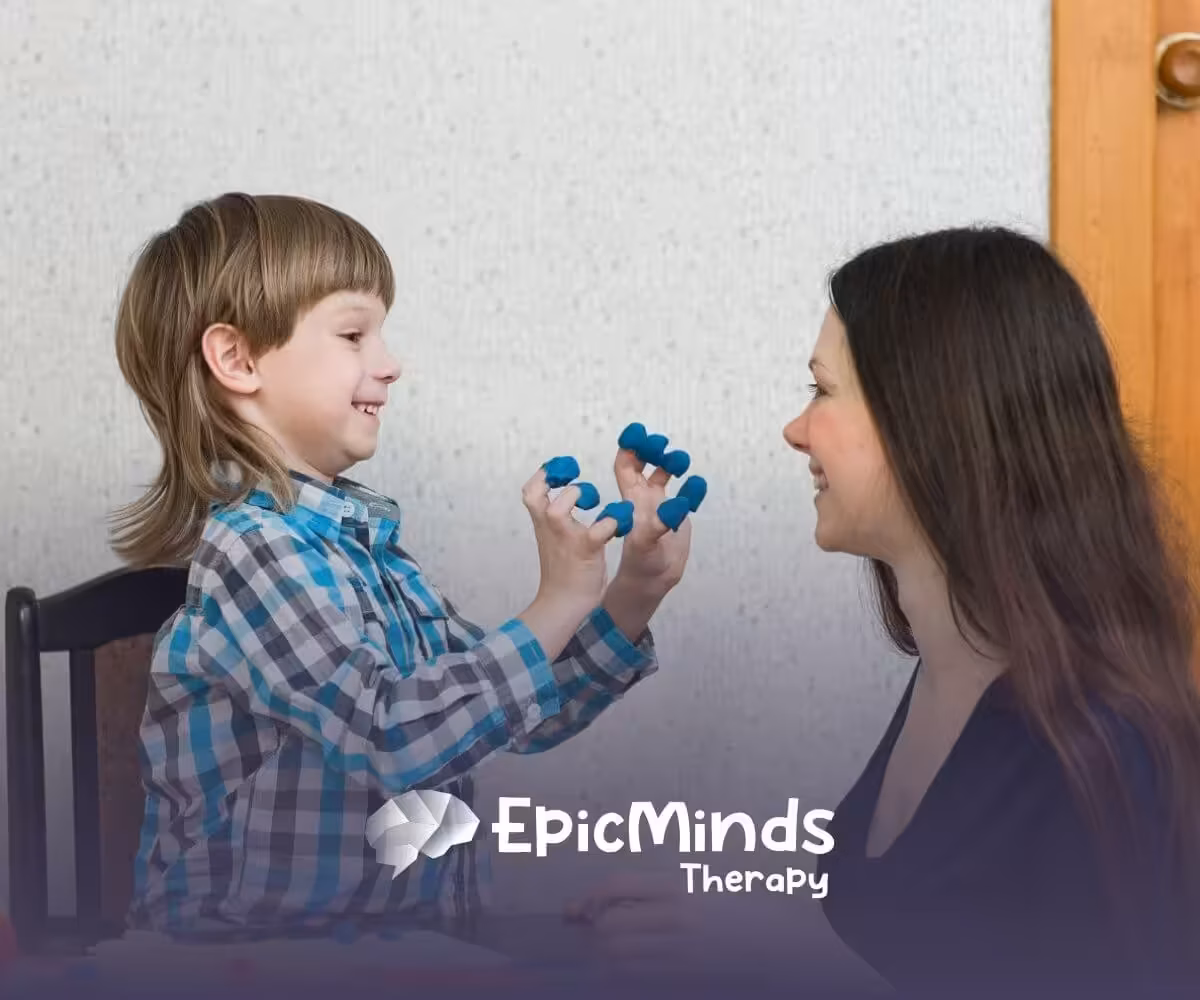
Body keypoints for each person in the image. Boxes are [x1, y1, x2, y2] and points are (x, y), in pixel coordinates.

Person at [109, 192, 694, 938]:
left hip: (394, 948)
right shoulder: (252, 551)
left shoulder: (367, 553)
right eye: (354, 333)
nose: (389, 365)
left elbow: (513, 718)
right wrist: (555, 598)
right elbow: (389, 738)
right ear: (238, 358)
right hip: (244, 959)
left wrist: (631, 591)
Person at [783, 227, 1200, 998]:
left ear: (930, 418)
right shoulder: (950, 673)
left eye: (823, 390)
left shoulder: (1102, 744)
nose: (795, 430)